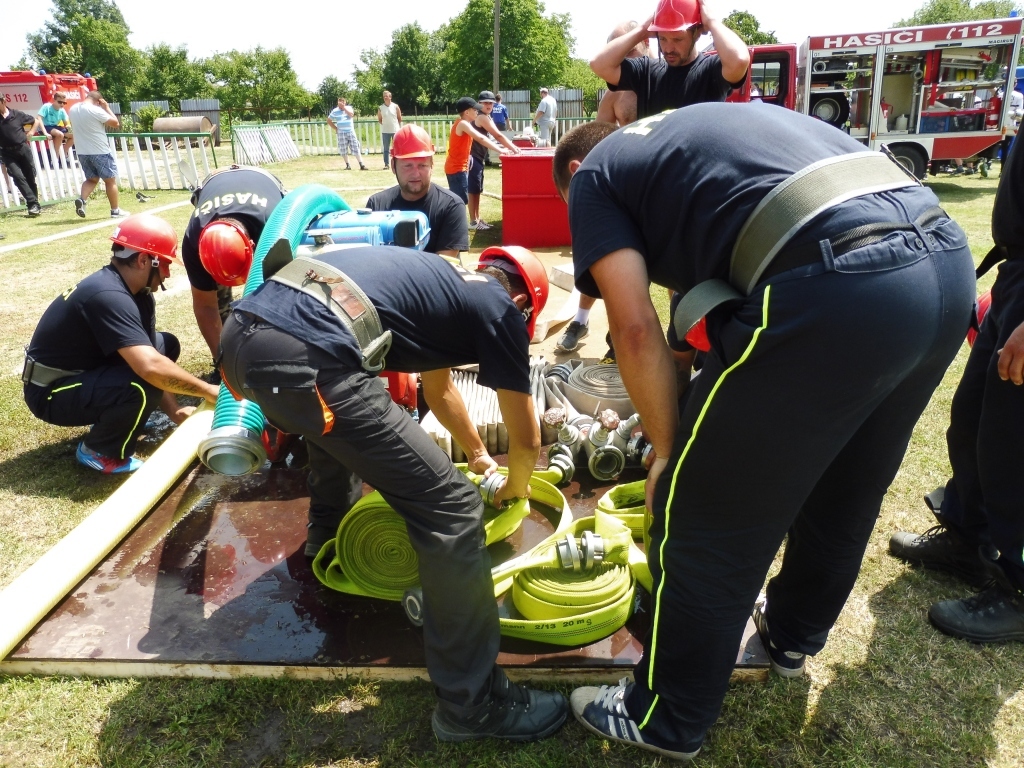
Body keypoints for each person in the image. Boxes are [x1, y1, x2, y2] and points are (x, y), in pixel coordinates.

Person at [552, 106, 975, 760]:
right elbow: (694, 295)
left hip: (839, 280)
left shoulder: (594, 176)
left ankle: (665, 716)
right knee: (846, 483)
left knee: (703, 509)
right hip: (943, 265)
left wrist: (668, 451)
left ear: (576, 170)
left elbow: (632, 327)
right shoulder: (686, 145)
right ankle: (791, 639)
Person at [217, 241, 566, 742]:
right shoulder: (499, 310)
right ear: (523, 303)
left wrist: (477, 454)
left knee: (334, 419)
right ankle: (472, 706)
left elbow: (440, 389)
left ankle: (327, 539)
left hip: (242, 338)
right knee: (452, 507)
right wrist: (515, 484)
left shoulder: (445, 283)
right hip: (301, 358)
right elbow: (527, 439)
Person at [889, 135, 1024, 643]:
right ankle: (969, 540)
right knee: (974, 422)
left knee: (1016, 445)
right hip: (1016, 277)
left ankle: (1019, 588)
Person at [23, 214, 220, 474]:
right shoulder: (107, 295)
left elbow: (154, 356)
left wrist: (174, 411)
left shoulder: (137, 294)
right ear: (143, 260)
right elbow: (149, 369)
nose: (167, 273)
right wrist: (207, 390)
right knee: (140, 385)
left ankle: (119, 417)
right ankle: (99, 450)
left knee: (166, 345)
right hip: (50, 392)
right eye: (164, 264)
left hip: (80, 373)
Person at [559, 21, 653, 356]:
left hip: (663, 189)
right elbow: (596, 143)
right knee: (601, 256)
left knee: (672, 270)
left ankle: (677, 345)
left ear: (647, 47)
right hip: (623, 189)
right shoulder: (615, 93)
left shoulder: (669, 82)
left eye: (632, 51)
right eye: (619, 51)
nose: (625, 59)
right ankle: (581, 320)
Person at [180, 165, 286, 359]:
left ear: (252, 245)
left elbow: (286, 297)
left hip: (262, 179)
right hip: (214, 181)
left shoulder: (275, 226)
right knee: (220, 305)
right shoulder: (193, 241)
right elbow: (205, 306)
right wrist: (221, 360)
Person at [589, 0, 750, 121]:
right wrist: (641, 31)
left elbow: (740, 60)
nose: (668, 48)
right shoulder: (646, 72)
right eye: (662, 38)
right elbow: (599, 64)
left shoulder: (710, 70)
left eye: (678, 39)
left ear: (697, 33)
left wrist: (712, 22)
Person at [366, 124, 469, 260]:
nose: (415, 173)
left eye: (422, 165)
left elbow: (443, 266)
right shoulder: (377, 205)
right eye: (407, 166)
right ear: (393, 166)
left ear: (432, 165)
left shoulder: (451, 206)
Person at [69, 90, 129, 218]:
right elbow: (115, 123)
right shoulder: (95, 110)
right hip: (100, 150)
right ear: (98, 101)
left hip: (82, 151)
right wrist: (106, 108)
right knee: (110, 180)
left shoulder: (73, 109)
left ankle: (82, 199)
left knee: (91, 179)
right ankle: (115, 210)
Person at [468, 91, 520, 230]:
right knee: (473, 191)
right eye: (485, 102)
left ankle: (477, 219)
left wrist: (509, 146)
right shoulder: (481, 117)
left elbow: (496, 136)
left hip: (478, 157)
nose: (488, 105)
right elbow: (497, 135)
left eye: (491, 103)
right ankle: (473, 222)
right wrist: (514, 148)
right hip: (473, 157)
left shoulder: (486, 116)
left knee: (477, 190)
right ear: (479, 103)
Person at [444, 96, 508, 206]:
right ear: (466, 112)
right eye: (474, 109)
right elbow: (481, 138)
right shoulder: (463, 124)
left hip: (460, 168)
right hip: (456, 169)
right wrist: (500, 150)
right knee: (460, 202)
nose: (477, 111)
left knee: (461, 200)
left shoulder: (465, 124)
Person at [596, 21, 652, 127]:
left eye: (630, 52)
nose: (624, 62)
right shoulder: (612, 95)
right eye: (616, 58)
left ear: (646, 41)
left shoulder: (674, 80)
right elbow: (599, 135)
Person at [0, 93, 43, 217]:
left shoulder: (17, 114)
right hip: (7, 152)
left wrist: (31, 132)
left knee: (30, 177)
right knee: (17, 176)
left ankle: (34, 206)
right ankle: (32, 203)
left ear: (3, 101)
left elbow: (36, 121)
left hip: (23, 149)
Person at [327, 97, 368, 171]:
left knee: (355, 147)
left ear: (345, 102)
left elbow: (351, 115)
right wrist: (336, 128)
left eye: (343, 102)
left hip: (350, 131)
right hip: (341, 132)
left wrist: (344, 108)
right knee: (343, 149)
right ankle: (348, 165)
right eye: (340, 102)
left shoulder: (349, 108)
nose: (341, 103)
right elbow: (329, 120)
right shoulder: (335, 111)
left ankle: (361, 164)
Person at [37, 92, 73, 158]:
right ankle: (56, 156)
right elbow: (39, 118)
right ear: (54, 100)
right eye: (60, 102)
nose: (62, 104)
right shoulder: (47, 106)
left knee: (74, 135)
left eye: (64, 103)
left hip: (55, 127)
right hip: (45, 126)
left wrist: (69, 128)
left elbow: (66, 123)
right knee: (60, 134)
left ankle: (64, 152)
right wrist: (45, 133)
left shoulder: (62, 110)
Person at [377, 90, 402, 169]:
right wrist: (386, 125)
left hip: (395, 130)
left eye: (386, 96)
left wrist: (395, 125)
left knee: (397, 148)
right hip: (385, 131)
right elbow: (380, 119)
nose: (385, 97)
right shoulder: (380, 108)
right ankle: (386, 164)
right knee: (386, 149)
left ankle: (398, 163)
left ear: (390, 97)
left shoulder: (395, 106)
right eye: (384, 96)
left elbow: (399, 118)